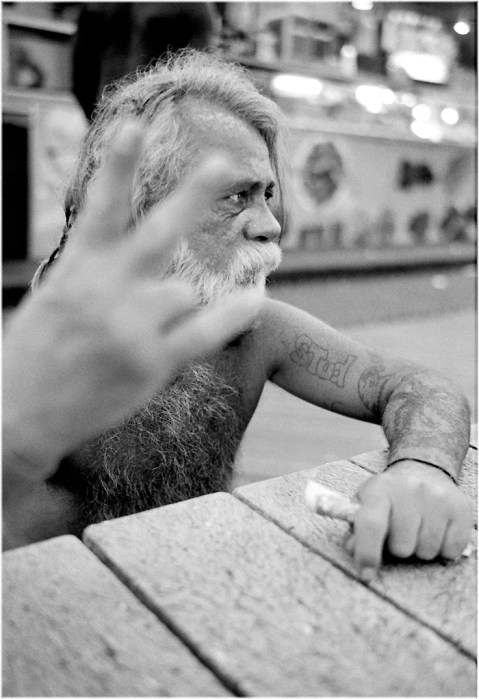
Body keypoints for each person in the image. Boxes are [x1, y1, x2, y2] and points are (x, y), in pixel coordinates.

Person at [5, 51, 473, 581]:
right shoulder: (51, 357)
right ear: (144, 206)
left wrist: (422, 469)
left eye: (267, 195)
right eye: (236, 197)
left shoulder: (250, 330)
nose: (271, 225)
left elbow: (419, 387)